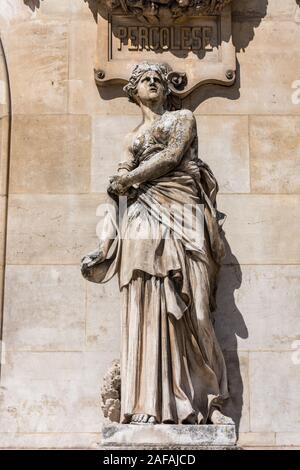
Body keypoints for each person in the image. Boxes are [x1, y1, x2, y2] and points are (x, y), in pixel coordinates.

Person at [81, 62, 233, 426]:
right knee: (144, 306)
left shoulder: (181, 119)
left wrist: (128, 178)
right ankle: (147, 403)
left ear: (167, 90)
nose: (152, 82)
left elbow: (170, 157)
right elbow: (116, 194)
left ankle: (208, 399)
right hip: (140, 221)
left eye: (158, 79)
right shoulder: (132, 138)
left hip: (184, 216)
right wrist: (105, 248)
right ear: (134, 91)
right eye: (145, 78)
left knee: (195, 311)